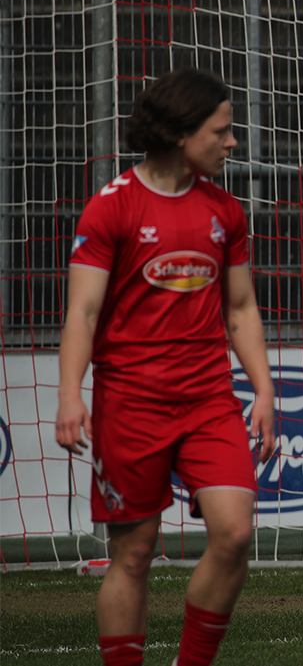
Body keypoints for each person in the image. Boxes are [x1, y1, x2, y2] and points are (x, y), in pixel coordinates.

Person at [54, 67, 276, 666]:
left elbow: (240, 306)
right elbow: (83, 311)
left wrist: (262, 389)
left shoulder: (225, 211)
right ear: (182, 134)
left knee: (234, 532)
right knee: (134, 553)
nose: (232, 143)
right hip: (131, 404)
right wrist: (70, 394)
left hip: (208, 401)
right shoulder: (111, 209)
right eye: (221, 131)